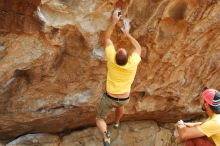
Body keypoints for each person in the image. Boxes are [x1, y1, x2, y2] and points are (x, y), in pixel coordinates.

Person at [96, 8, 142, 146]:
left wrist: (113, 21)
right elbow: (138, 47)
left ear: (115, 56)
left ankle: (106, 135)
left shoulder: (111, 58)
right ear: (128, 57)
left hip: (109, 97)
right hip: (124, 98)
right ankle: (116, 122)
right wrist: (127, 34)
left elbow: (107, 38)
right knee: (120, 107)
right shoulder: (132, 63)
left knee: (99, 119)